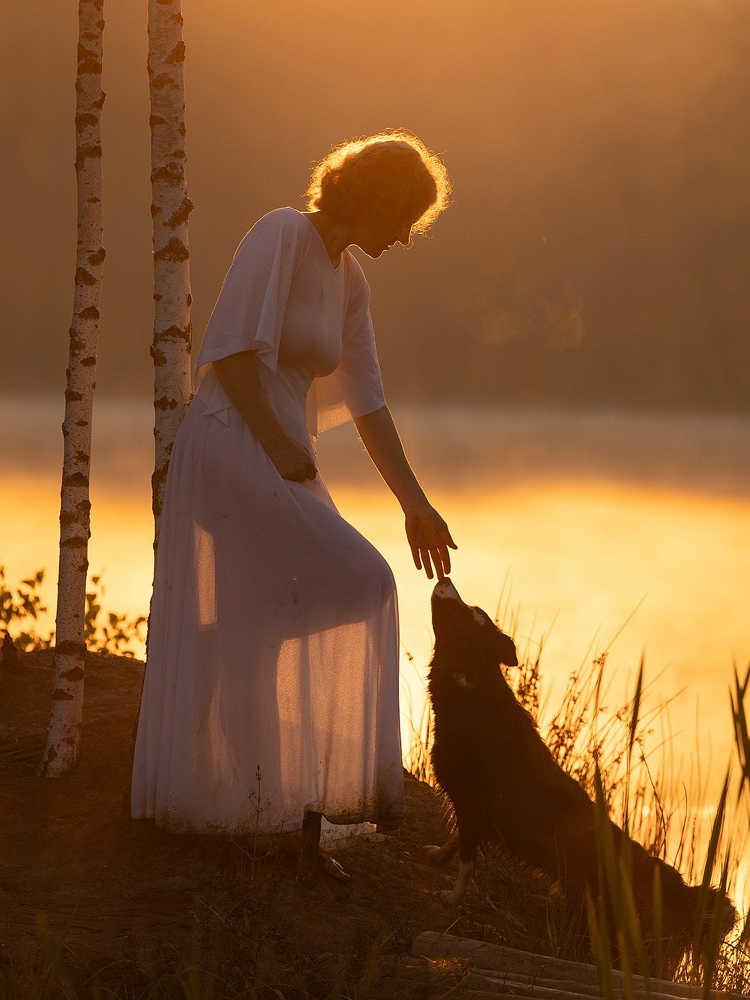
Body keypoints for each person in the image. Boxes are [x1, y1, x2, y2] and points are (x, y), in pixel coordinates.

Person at [130, 131, 456, 849]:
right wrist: (278, 447)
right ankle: (277, 790)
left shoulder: (350, 280)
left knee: (275, 614)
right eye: (406, 219)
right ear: (378, 199)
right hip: (230, 442)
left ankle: (261, 804)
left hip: (283, 456)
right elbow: (230, 352)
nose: (406, 238)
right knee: (366, 580)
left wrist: (414, 503)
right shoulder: (280, 233)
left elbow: (369, 401)